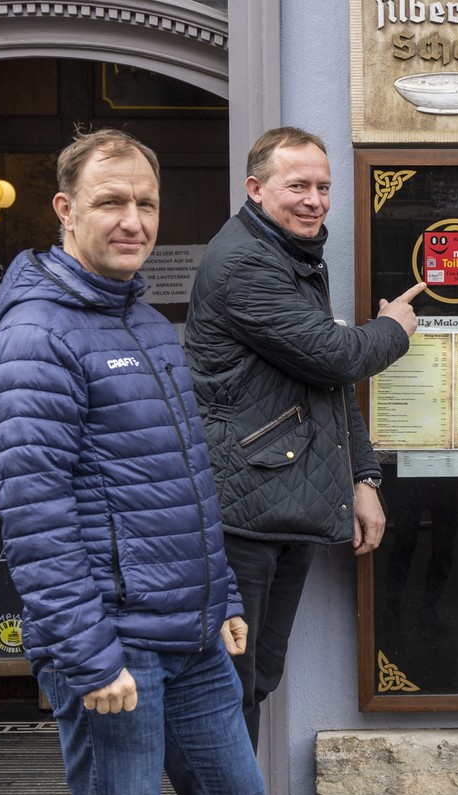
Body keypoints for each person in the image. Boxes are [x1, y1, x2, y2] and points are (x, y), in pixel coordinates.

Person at [0, 129, 264, 795]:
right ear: (66, 209)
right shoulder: (36, 335)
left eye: (147, 204)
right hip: (111, 643)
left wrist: (217, 593)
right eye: (110, 202)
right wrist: (87, 655)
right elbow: (35, 518)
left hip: (191, 635)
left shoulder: (145, 320)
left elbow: (184, 476)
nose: (134, 222)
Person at [184, 126, 424, 748]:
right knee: (228, 685)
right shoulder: (243, 263)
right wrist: (394, 328)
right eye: (298, 186)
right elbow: (338, 357)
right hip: (241, 517)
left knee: (257, 677)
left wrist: (363, 479)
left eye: (322, 186)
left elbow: (325, 385)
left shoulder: (293, 255)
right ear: (256, 189)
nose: (315, 200)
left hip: (280, 506)